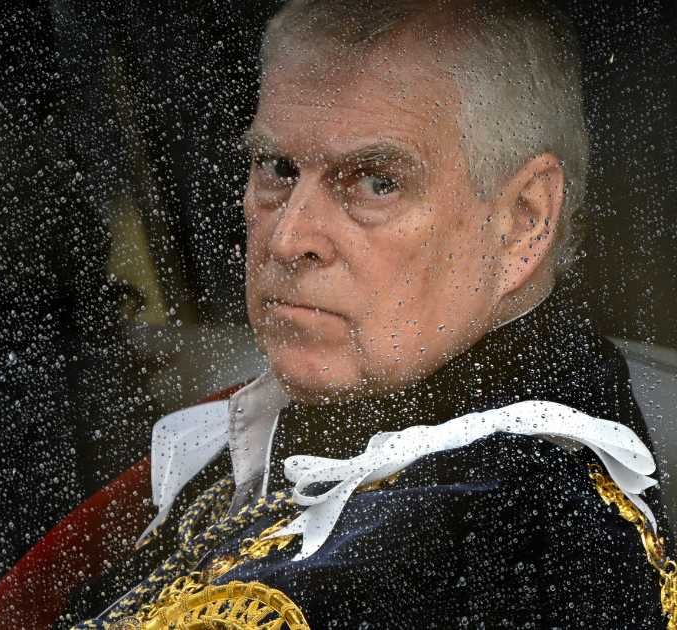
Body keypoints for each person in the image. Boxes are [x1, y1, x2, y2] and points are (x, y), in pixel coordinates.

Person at [68, 1, 675, 628]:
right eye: (277, 169)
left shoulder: (523, 536)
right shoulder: (310, 425)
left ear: (524, 220)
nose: (287, 239)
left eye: (376, 181)